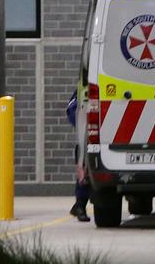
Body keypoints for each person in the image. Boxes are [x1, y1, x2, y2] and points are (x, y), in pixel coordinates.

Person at [66, 90, 91, 222]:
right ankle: (80, 206)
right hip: (87, 138)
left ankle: (79, 205)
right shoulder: (83, 90)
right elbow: (71, 110)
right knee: (84, 175)